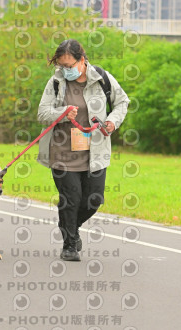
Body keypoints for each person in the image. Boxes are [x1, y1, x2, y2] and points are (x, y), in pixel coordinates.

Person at [37, 39, 129, 261]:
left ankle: (70, 226)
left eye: (69, 66)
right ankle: (69, 246)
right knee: (71, 199)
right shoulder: (56, 82)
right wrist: (61, 113)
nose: (65, 70)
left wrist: (112, 122)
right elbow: (42, 113)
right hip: (62, 152)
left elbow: (122, 102)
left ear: (82, 60)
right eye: (61, 66)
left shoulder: (102, 78)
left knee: (93, 200)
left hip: (95, 152)